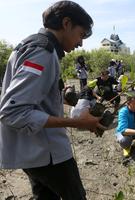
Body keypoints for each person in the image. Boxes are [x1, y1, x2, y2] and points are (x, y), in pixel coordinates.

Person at [0, 1, 101, 199]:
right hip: (47, 153)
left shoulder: (28, 44)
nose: (80, 43)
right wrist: (77, 123)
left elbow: (33, 94)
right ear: (66, 23)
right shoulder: (42, 52)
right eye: (81, 35)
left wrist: (66, 97)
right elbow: (12, 111)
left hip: (32, 152)